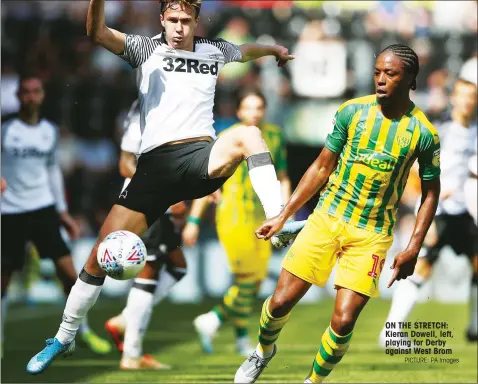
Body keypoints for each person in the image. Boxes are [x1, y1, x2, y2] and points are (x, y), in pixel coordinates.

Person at [26, 0, 296, 374]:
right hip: (154, 169)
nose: (180, 28)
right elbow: (96, 33)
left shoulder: (213, 50)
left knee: (249, 134)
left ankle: (276, 218)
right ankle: (64, 337)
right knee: (96, 259)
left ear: (197, 21)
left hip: (200, 157)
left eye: (187, 20)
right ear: (162, 21)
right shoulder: (146, 48)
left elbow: (245, 52)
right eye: (173, 20)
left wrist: (273, 51)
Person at [234, 44, 442, 384]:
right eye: (377, 72)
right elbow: (321, 167)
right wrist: (284, 215)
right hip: (327, 218)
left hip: (373, 234)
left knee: (344, 320)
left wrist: (413, 247)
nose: (380, 80)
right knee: (281, 301)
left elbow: (430, 193)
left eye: (390, 74)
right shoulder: (352, 112)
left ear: (410, 80)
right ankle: (262, 351)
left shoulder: (424, 134)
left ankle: (313, 382)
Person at [1, 73, 112, 360]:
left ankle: (80, 332)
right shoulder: (5, 129)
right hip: (10, 211)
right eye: (26, 92)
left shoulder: (49, 131)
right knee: (3, 278)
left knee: (69, 275)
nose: (30, 97)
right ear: (19, 96)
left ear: (42, 96)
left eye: (35, 91)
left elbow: (52, 172)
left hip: (43, 209)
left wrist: (63, 212)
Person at [181, 88, 291, 356]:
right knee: (247, 278)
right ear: (239, 111)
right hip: (233, 216)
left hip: (262, 217)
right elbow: (208, 180)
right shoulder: (228, 137)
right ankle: (237, 335)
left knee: (253, 282)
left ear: (264, 111)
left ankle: (215, 321)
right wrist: (194, 220)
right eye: (248, 107)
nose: (253, 113)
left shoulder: (274, 136)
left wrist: (283, 212)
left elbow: (283, 176)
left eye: (258, 108)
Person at [379, 74, 478, 346]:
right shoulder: (439, 131)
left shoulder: (476, 132)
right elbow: (415, 171)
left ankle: (474, 327)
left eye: (473, 97)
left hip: (468, 214)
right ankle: (391, 332)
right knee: (421, 267)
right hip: (439, 213)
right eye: (463, 96)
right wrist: (425, 208)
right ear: (453, 99)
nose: (468, 102)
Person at [103, 99, 188, 369]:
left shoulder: (173, 108)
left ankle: (126, 319)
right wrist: (160, 191)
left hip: (160, 204)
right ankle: (132, 354)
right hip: (146, 204)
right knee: (148, 270)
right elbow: (125, 163)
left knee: (178, 267)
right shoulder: (145, 108)